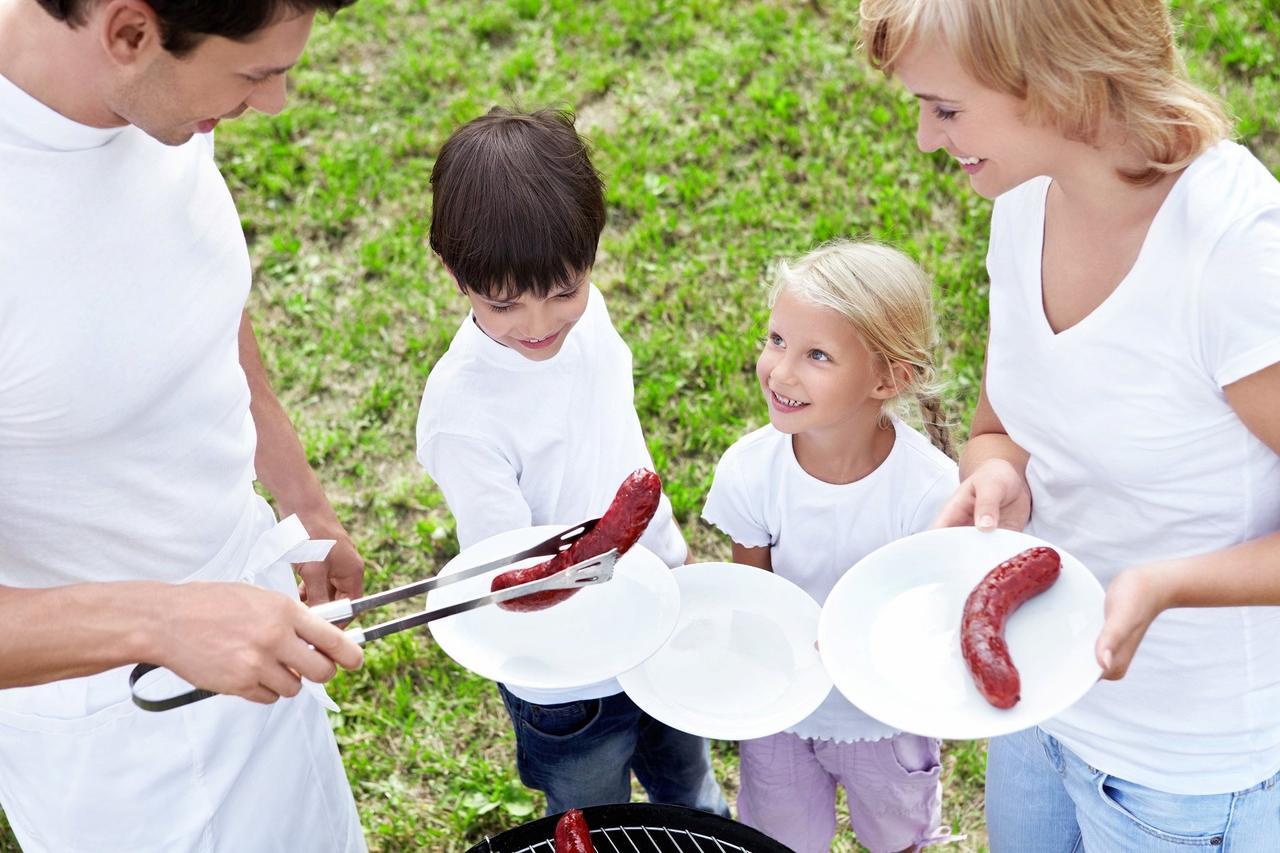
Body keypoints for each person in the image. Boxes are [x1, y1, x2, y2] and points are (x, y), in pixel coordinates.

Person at [859, 0, 1280, 849]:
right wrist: (996, 470)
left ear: (1058, 87)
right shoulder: (1026, 193)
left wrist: (1166, 585)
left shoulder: (1235, 252)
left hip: (1183, 766)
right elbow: (1003, 419)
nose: (925, 140)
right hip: (1041, 699)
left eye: (945, 108)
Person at [0, 1, 369, 850]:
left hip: (252, 608)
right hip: (116, 739)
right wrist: (162, 623)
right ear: (130, 34)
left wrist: (298, 494)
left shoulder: (156, 99)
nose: (276, 102)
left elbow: (193, 290)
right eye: (257, 74)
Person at [416, 107, 729, 818]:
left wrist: (656, 564)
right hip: (566, 673)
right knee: (593, 817)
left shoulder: (587, 315)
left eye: (564, 289)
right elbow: (511, 570)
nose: (540, 323)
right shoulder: (461, 415)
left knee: (692, 795)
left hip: (656, 601)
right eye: (505, 303)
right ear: (452, 273)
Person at [702, 240, 958, 853]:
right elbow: (756, 599)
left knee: (897, 839)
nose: (781, 371)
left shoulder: (931, 491)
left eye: (817, 354)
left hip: (886, 722)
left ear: (889, 376)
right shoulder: (750, 471)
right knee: (780, 843)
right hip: (782, 713)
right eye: (776, 340)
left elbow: (930, 620)